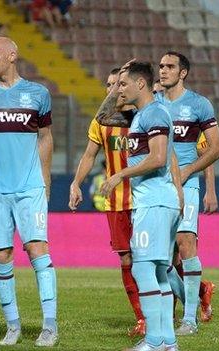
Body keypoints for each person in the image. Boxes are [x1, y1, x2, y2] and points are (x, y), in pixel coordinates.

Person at [0, 37, 58, 347]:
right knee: (1, 254)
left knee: (38, 250)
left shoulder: (38, 94)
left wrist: (45, 178)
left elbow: (45, 138)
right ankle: (13, 325)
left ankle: (50, 325)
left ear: (13, 55)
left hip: (29, 186)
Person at [97, 61, 182, 351]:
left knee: (144, 269)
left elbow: (159, 158)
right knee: (158, 272)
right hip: (154, 201)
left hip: (155, 201)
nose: (118, 89)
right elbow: (104, 115)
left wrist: (120, 174)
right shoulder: (140, 115)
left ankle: (155, 340)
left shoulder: (155, 113)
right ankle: (168, 342)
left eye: (123, 84)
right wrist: (122, 74)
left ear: (141, 85)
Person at [68, 67, 145, 336]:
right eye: (110, 85)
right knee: (126, 260)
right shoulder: (101, 122)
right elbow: (89, 155)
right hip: (116, 201)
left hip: (144, 197)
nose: (115, 90)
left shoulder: (141, 116)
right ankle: (142, 317)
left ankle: (189, 295)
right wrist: (76, 183)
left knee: (157, 258)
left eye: (119, 84)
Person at [155, 52, 219, 335]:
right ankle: (196, 300)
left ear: (183, 73)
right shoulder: (152, 103)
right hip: (156, 186)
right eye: (160, 66)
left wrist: (189, 173)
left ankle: (189, 321)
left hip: (187, 185)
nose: (163, 70)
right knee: (158, 259)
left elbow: (216, 148)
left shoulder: (198, 104)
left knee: (185, 243)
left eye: (170, 66)